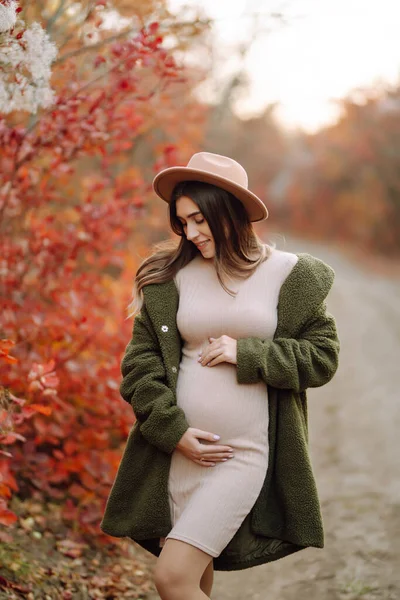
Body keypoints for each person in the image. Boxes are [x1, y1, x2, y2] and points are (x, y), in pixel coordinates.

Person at [100, 152, 340, 600]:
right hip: (178, 454)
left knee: (171, 578)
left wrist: (246, 352)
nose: (190, 233)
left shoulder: (290, 275)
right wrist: (174, 432)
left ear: (227, 210)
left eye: (199, 220)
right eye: (182, 223)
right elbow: (139, 366)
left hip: (242, 456)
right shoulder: (168, 278)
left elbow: (322, 357)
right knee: (193, 579)